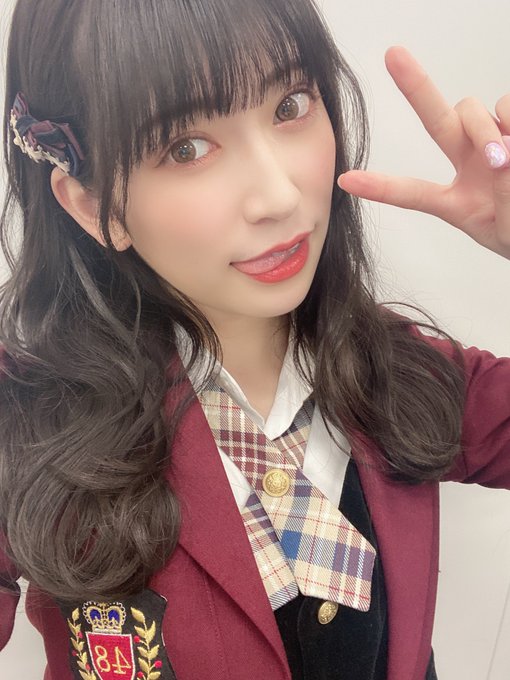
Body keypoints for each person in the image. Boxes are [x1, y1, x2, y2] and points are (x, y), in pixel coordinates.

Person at [0, 0, 509, 679]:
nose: (279, 196)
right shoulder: (28, 419)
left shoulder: (397, 369)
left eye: (290, 105)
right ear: (94, 206)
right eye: (185, 147)